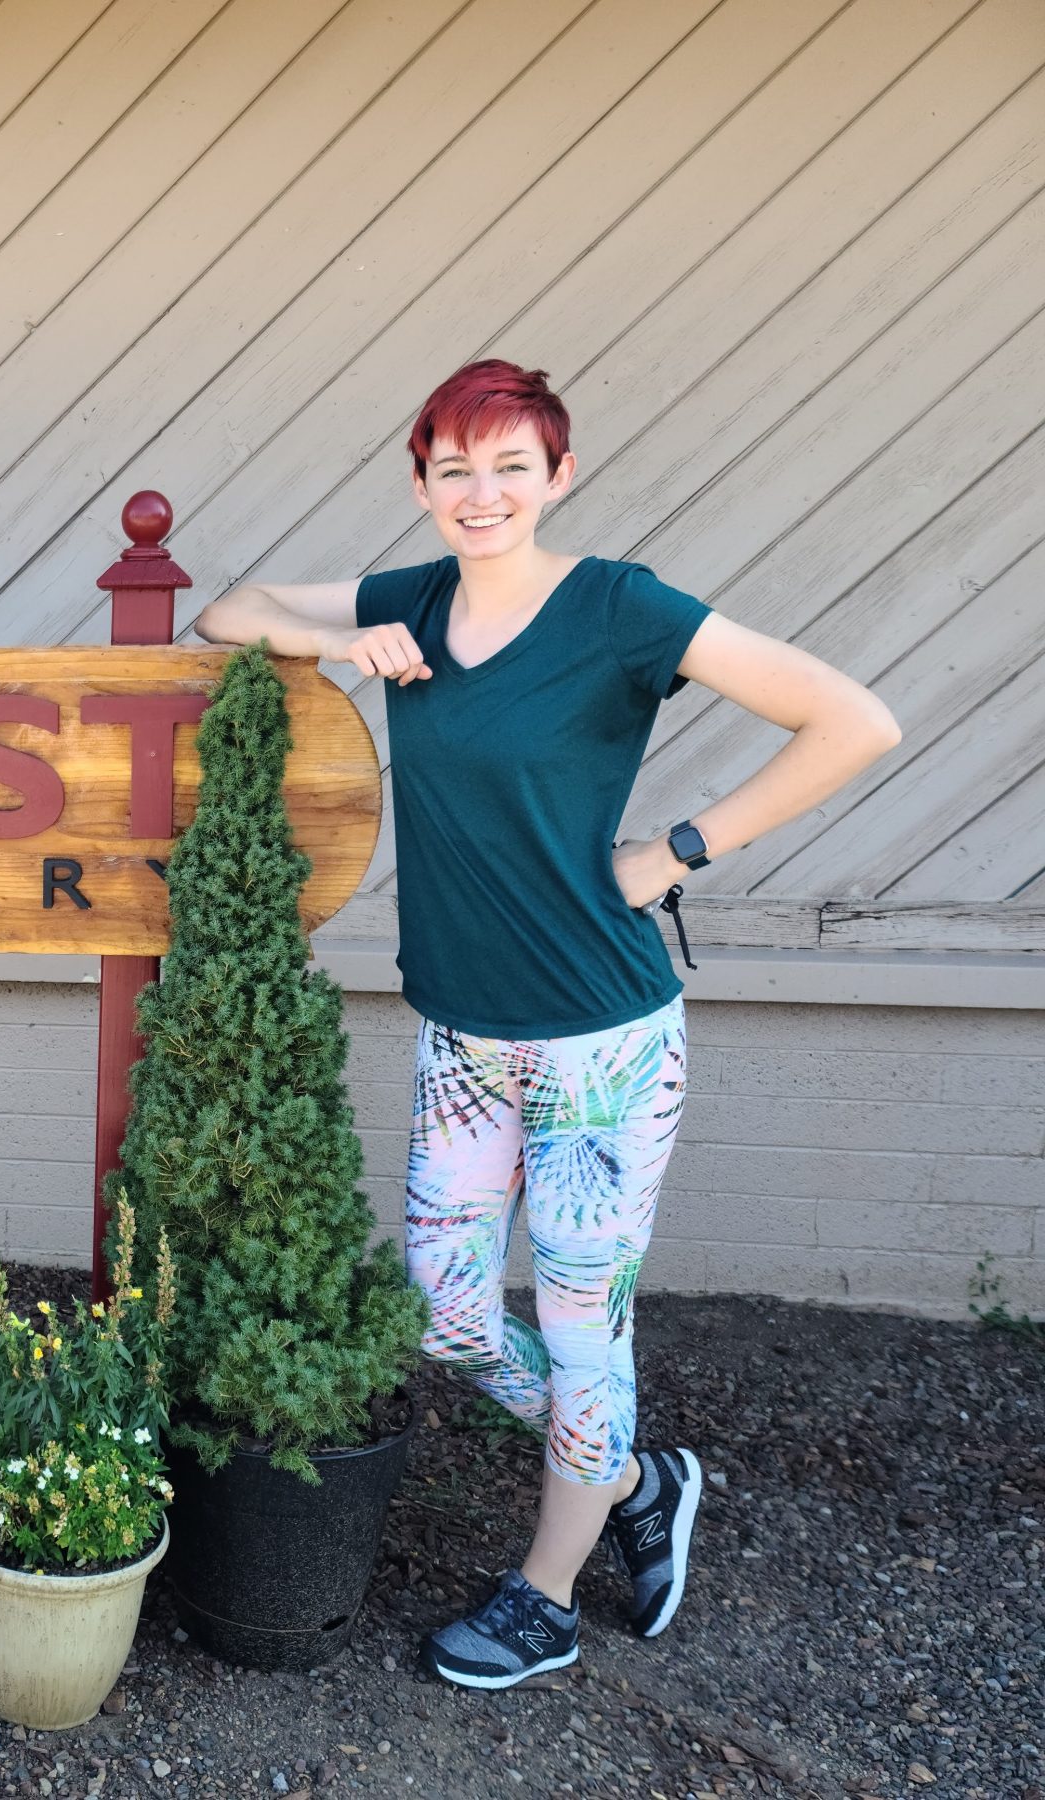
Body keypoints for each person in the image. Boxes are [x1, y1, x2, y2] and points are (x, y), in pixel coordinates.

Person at [187, 360, 901, 1689]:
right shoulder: (411, 603)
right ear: (420, 483)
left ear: (559, 476)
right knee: (447, 1316)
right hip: (463, 1037)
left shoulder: (619, 609)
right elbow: (232, 609)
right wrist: (338, 642)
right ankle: (635, 1475)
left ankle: (547, 1598)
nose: (482, 492)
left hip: (600, 1044)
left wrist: (677, 849)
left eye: (511, 465)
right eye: (453, 467)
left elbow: (854, 718)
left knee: (583, 1334)